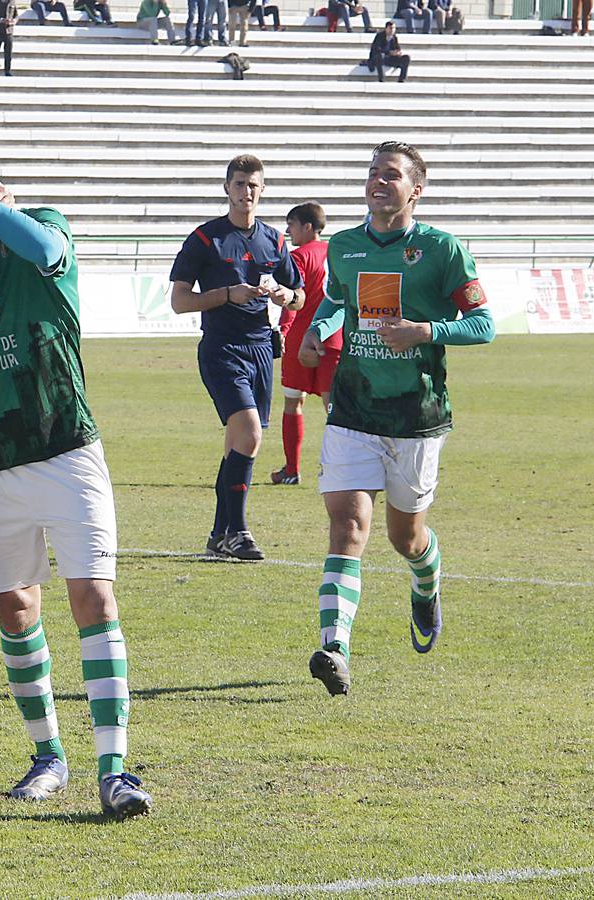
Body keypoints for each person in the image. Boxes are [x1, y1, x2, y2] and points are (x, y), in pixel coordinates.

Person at [0, 138, 153, 821]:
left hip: (64, 445)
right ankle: (48, 756)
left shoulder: (43, 224)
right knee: (15, 608)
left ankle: (114, 768)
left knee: (93, 597)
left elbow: (45, 254)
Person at [298, 142, 494, 697]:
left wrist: (424, 331)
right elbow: (337, 300)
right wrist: (320, 329)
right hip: (354, 408)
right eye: (372, 174)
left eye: (391, 176)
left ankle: (426, 583)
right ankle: (334, 646)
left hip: (416, 416)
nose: (378, 183)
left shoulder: (441, 250)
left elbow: (483, 325)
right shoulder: (345, 247)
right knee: (348, 526)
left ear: (416, 188)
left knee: (405, 537)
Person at [168, 154, 304, 562]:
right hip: (221, 347)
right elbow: (178, 302)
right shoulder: (205, 239)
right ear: (227, 188)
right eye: (240, 184)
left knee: (238, 444)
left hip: (261, 347)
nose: (247, 192)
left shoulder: (275, 241)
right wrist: (228, 294)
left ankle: (218, 534)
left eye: (254, 185)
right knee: (250, 433)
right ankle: (239, 531)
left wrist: (283, 296)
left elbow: (298, 296)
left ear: (263, 191)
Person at [271, 201, 334, 487]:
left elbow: (292, 299)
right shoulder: (338, 253)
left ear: (307, 226)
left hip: (301, 339)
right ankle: (338, 469)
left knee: (293, 402)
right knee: (334, 408)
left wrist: (283, 329)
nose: (288, 231)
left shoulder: (298, 257)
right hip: (334, 338)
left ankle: (292, 469)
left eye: (292, 225)